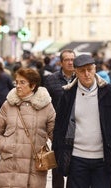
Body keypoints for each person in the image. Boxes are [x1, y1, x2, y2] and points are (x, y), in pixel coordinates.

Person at [52, 54, 111, 188]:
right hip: (76, 158)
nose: (86, 74)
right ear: (76, 72)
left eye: (89, 69)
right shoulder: (68, 94)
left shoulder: (110, 92)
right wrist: (58, 150)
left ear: (95, 69)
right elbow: (60, 125)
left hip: (103, 158)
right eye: (82, 71)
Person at [0, 67, 56, 187]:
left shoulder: (46, 106)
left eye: (22, 82)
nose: (18, 86)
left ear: (33, 85)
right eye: (17, 82)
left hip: (35, 168)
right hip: (10, 166)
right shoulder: (8, 104)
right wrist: (6, 146)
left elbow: (55, 134)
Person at [44, 49, 76, 188]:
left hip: (77, 130)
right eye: (67, 60)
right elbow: (45, 104)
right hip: (58, 130)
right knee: (57, 169)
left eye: (72, 59)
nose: (70, 62)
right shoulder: (51, 79)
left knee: (75, 169)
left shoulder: (81, 78)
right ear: (61, 62)